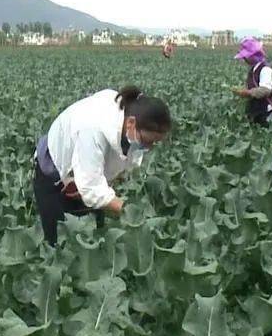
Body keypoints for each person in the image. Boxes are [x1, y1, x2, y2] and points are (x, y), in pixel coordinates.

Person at [34, 87, 172, 245]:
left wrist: (99, 183)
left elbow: (122, 163)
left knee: (95, 242)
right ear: (131, 123)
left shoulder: (130, 125)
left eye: (155, 143)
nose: (149, 148)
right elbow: (91, 189)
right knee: (59, 244)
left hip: (82, 177)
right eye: (147, 142)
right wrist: (132, 214)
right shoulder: (92, 127)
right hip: (53, 174)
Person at [231, 37, 272, 124]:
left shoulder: (265, 69)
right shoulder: (253, 69)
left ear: (253, 56)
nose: (244, 59)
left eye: (246, 57)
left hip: (265, 112)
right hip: (256, 111)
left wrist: (247, 93)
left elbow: (265, 90)